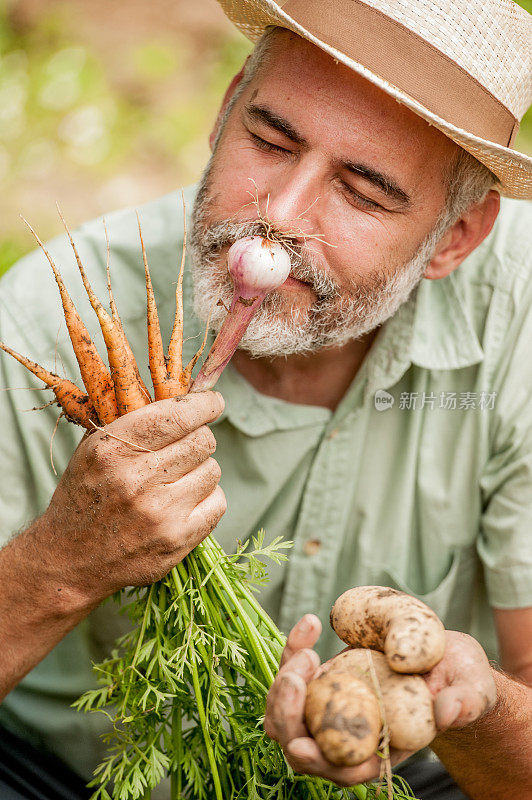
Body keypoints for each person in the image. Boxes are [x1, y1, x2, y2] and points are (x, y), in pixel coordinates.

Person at [0, 0, 531, 798]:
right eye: (271, 140)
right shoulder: (43, 316)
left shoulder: (519, 319)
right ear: (223, 114)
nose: (278, 218)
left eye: (363, 191)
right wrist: (63, 562)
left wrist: (478, 706)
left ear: (454, 238)